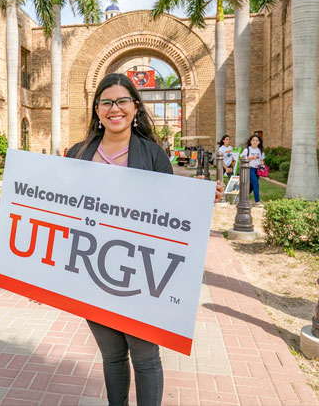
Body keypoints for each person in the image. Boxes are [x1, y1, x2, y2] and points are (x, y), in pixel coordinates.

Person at [66, 73, 221, 406]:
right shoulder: (78, 154)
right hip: (92, 270)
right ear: (96, 109)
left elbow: (170, 207)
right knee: (111, 355)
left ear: (135, 107)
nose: (114, 108)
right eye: (105, 102)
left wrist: (198, 199)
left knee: (145, 355)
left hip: (140, 272)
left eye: (122, 101)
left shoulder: (152, 154)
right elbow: (59, 211)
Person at [242, 134, 265, 207]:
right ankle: (257, 201)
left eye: (256, 140)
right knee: (256, 183)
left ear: (259, 142)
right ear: (250, 141)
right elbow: (241, 159)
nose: (255, 142)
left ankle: (242, 197)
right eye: (253, 140)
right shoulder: (247, 150)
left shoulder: (260, 150)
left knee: (251, 186)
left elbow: (261, 160)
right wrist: (250, 158)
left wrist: (262, 166)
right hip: (249, 168)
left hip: (257, 169)